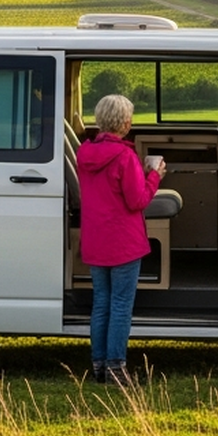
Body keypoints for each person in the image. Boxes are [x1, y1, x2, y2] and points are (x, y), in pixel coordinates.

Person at [76, 93, 164, 386]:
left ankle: (100, 366)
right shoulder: (125, 156)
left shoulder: (84, 154)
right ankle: (116, 368)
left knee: (101, 302)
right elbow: (137, 200)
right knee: (121, 304)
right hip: (124, 242)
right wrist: (155, 176)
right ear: (125, 123)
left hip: (96, 240)